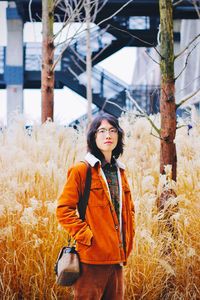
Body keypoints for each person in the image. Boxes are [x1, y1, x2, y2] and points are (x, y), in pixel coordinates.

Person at [56, 112, 135, 300]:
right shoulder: (82, 170)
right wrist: (87, 237)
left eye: (112, 130)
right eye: (102, 131)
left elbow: (128, 209)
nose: (108, 135)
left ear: (118, 136)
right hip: (91, 260)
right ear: (93, 136)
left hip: (117, 259)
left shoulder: (120, 171)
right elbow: (63, 210)